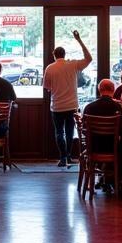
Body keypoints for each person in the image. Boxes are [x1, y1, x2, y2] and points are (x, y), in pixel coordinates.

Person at [42, 30, 93, 167]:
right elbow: (89, 58)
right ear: (64, 55)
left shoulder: (50, 68)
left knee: (59, 132)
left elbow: (47, 87)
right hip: (72, 105)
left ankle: (63, 157)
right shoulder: (73, 65)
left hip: (57, 105)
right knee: (70, 131)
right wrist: (79, 40)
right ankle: (69, 156)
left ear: (54, 55)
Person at [82, 78, 122, 186]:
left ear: (99, 90)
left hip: (94, 148)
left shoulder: (89, 108)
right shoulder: (117, 107)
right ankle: (117, 180)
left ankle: (104, 176)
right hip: (113, 149)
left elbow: (84, 132)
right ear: (113, 89)